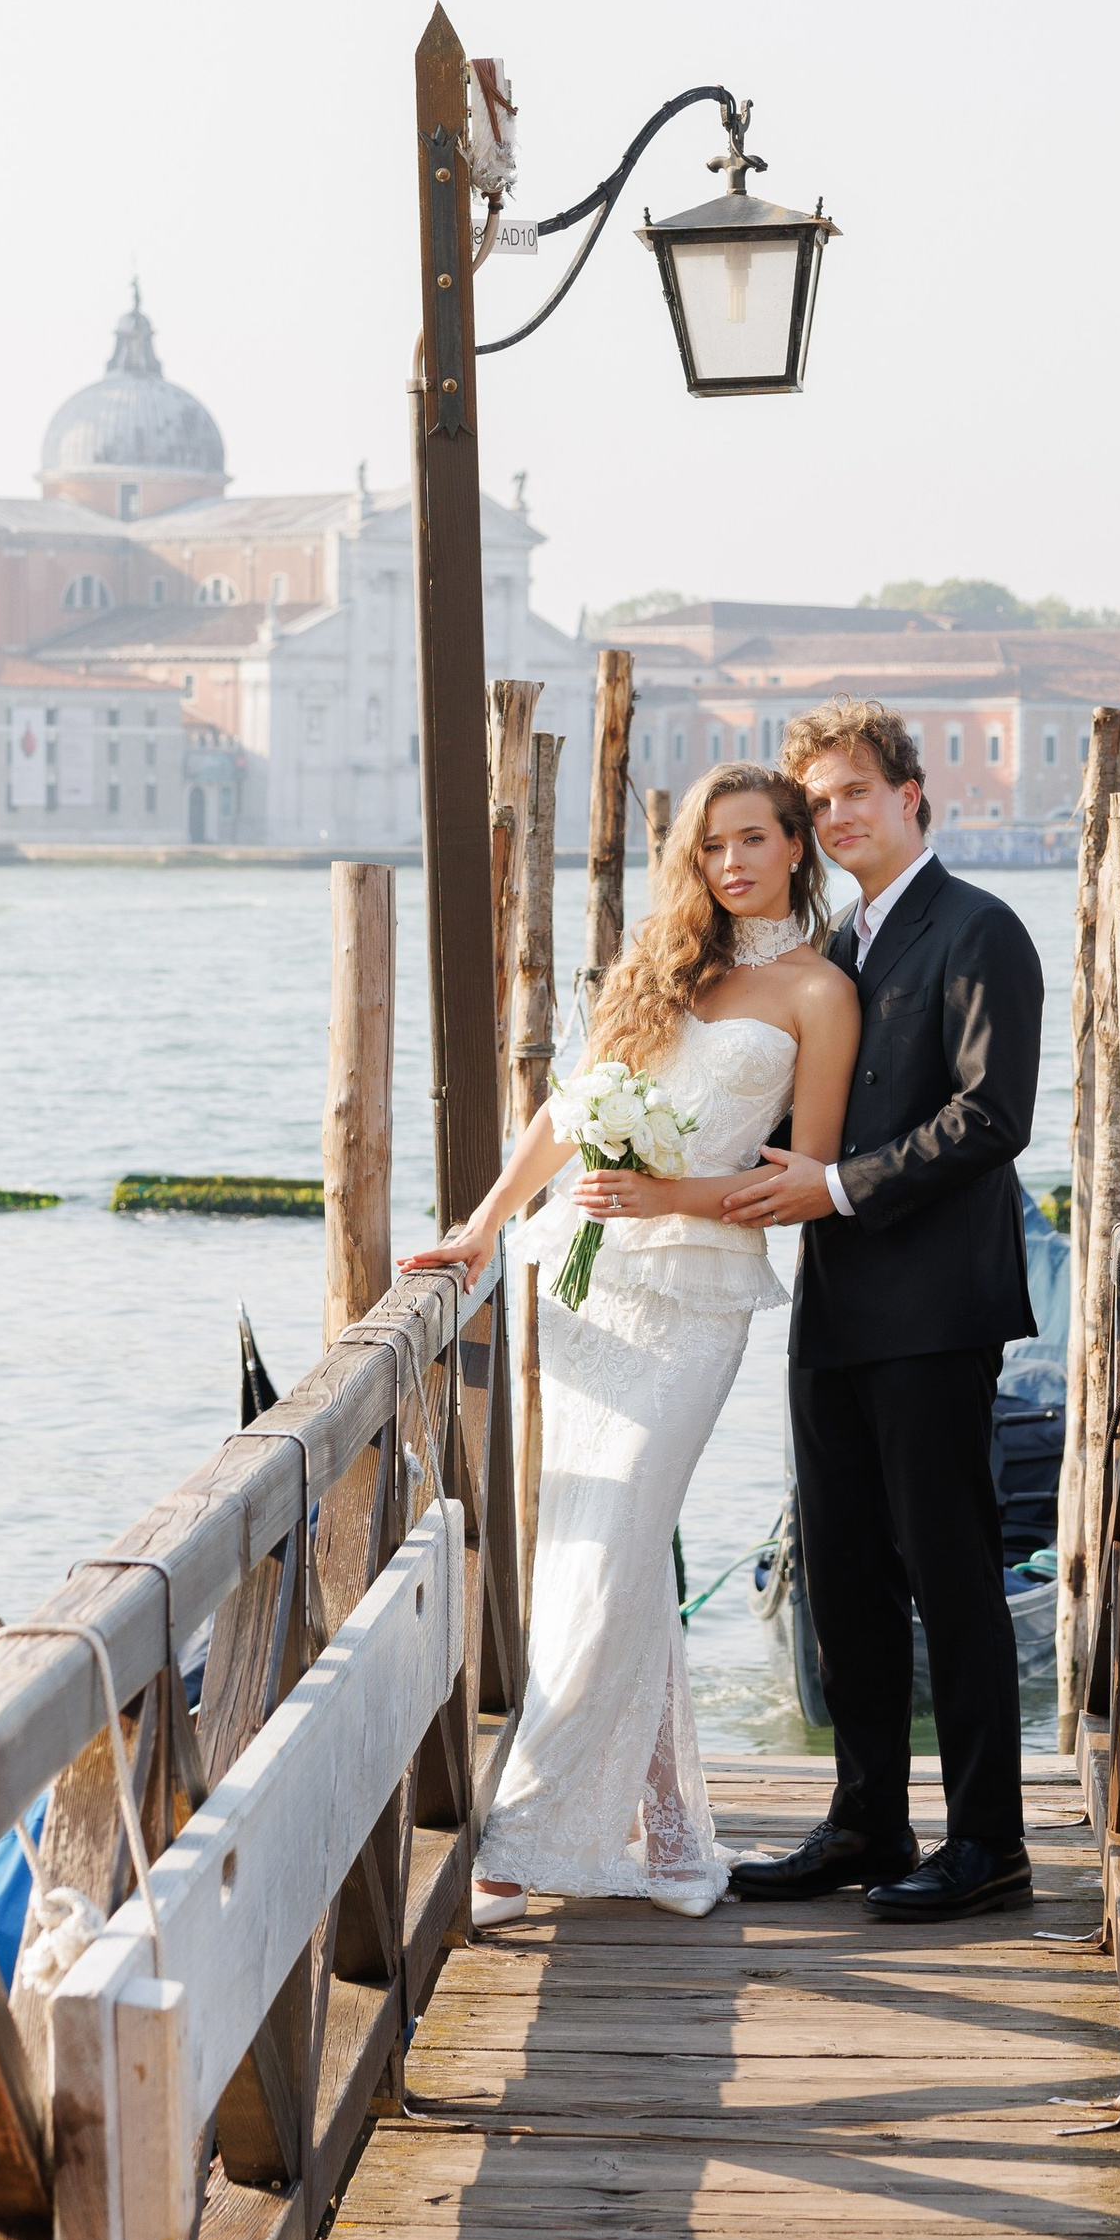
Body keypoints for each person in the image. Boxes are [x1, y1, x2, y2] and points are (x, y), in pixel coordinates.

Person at [400, 765, 857, 1921]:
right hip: (584, 1289)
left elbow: (799, 1182)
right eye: (711, 847)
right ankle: (662, 1841)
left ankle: (522, 1836)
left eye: (754, 839)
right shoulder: (657, 965)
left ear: (797, 845)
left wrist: (672, 1199)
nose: (732, 864)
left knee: (609, 1559)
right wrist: (480, 1228)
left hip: (698, 1293)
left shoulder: (820, 992)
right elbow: (567, 1112)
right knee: (598, 1549)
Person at [720, 700, 1044, 1922]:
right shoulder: (835, 951)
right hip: (835, 1304)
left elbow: (991, 1115)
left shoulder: (981, 929)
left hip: (936, 1306)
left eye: (855, 791)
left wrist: (839, 1184)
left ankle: (991, 1844)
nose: (836, 815)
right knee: (843, 1572)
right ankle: (864, 1819)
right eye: (819, 801)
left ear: (916, 797)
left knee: (949, 1569)